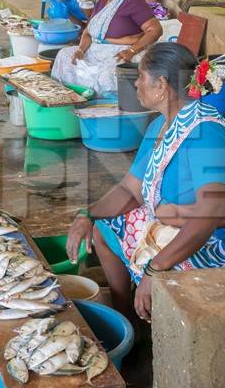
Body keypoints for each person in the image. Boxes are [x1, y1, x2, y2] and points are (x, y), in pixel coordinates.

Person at [66, 43, 225, 327]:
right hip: (168, 222)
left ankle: (153, 315)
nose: (136, 83)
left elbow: (208, 215)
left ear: (161, 85)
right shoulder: (159, 126)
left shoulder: (205, 130)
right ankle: (128, 317)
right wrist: (87, 213)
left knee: (162, 275)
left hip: (205, 241)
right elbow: (130, 189)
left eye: (140, 76)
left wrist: (155, 269)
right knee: (105, 227)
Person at [52, 0, 162, 95]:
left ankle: (98, 106)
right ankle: (69, 98)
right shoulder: (103, 1)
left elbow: (155, 29)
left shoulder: (132, 1)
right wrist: (81, 50)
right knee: (64, 55)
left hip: (120, 52)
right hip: (95, 49)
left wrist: (132, 51)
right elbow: (88, 32)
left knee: (106, 73)